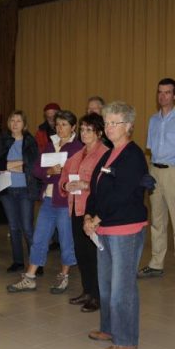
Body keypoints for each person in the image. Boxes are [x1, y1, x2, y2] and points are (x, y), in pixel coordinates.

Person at [84, 102, 152, 349]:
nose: (110, 128)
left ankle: (126, 340)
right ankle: (109, 328)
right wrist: (89, 215)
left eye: (116, 123)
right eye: (108, 122)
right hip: (105, 228)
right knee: (106, 284)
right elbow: (96, 187)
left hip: (125, 228)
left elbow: (123, 194)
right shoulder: (108, 153)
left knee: (122, 287)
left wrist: (98, 217)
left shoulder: (133, 156)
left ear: (129, 126)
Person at [6, 110, 82, 294]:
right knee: (39, 238)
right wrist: (50, 172)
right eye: (57, 124)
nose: (60, 128)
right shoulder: (50, 145)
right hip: (48, 199)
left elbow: (77, 176)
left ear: (73, 127)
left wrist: (59, 174)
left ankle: (64, 275)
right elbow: (37, 171)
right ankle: (30, 277)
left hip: (65, 201)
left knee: (66, 240)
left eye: (64, 124)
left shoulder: (78, 148)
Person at [139, 78, 175, 287]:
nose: (162, 96)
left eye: (167, 92)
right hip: (155, 170)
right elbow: (151, 150)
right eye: (160, 92)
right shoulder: (153, 120)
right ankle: (156, 264)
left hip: (174, 171)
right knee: (157, 222)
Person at [60, 113, 109, 312]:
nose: (84, 133)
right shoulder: (76, 155)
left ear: (99, 132)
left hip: (93, 211)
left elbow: (106, 185)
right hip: (75, 209)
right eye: (82, 129)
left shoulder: (105, 153)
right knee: (82, 254)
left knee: (94, 254)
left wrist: (85, 184)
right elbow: (63, 180)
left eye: (89, 130)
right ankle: (87, 290)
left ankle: (98, 296)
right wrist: (66, 185)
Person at [0, 111, 40, 273]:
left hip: (26, 189)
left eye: (19, 120)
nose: (15, 123)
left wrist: (11, 165)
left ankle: (36, 263)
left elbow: (32, 166)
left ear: (24, 124)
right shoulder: (2, 141)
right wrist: (19, 165)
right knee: (13, 227)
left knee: (27, 227)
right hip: (7, 189)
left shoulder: (30, 142)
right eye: (12, 120)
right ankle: (18, 261)